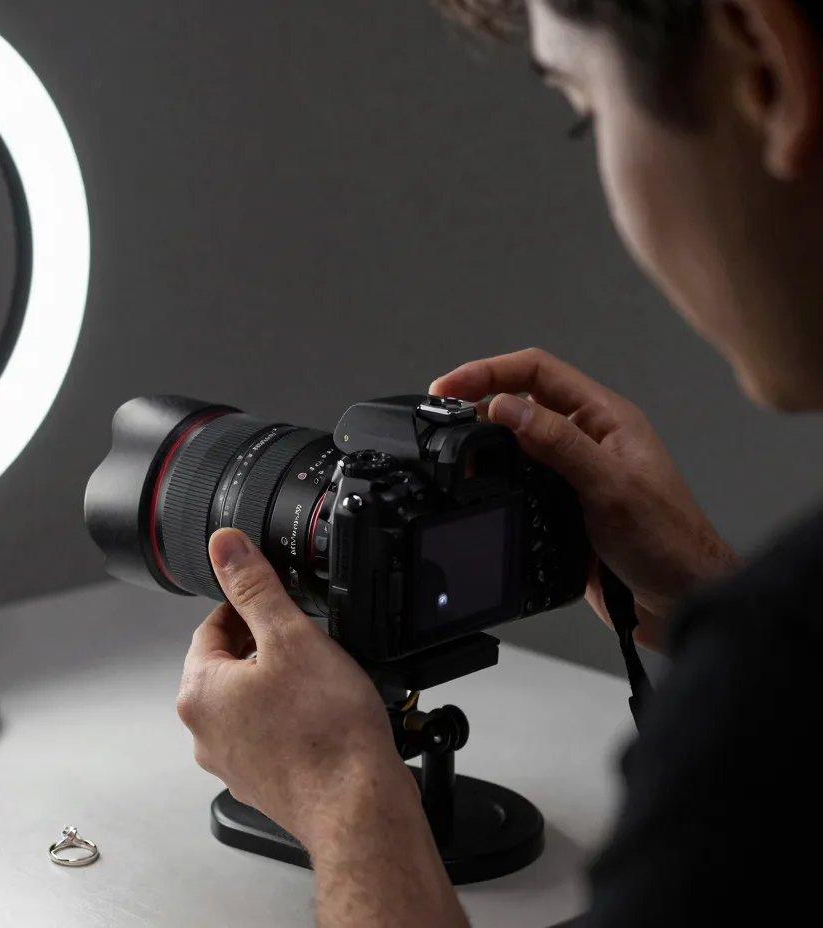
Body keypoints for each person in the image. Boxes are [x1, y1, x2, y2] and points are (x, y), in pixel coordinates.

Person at [173, 1, 823, 925]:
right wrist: (699, 596)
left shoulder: (764, 701)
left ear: (763, 69)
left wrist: (347, 796)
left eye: (584, 109)